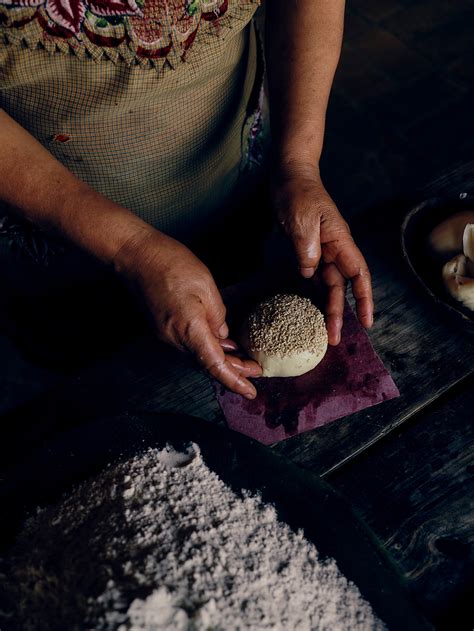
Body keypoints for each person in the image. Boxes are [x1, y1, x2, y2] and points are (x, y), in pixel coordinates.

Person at [0, 0, 373, 400]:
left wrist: (298, 165)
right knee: (99, 382)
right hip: (57, 236)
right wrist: (130, 247)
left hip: (233, 172)